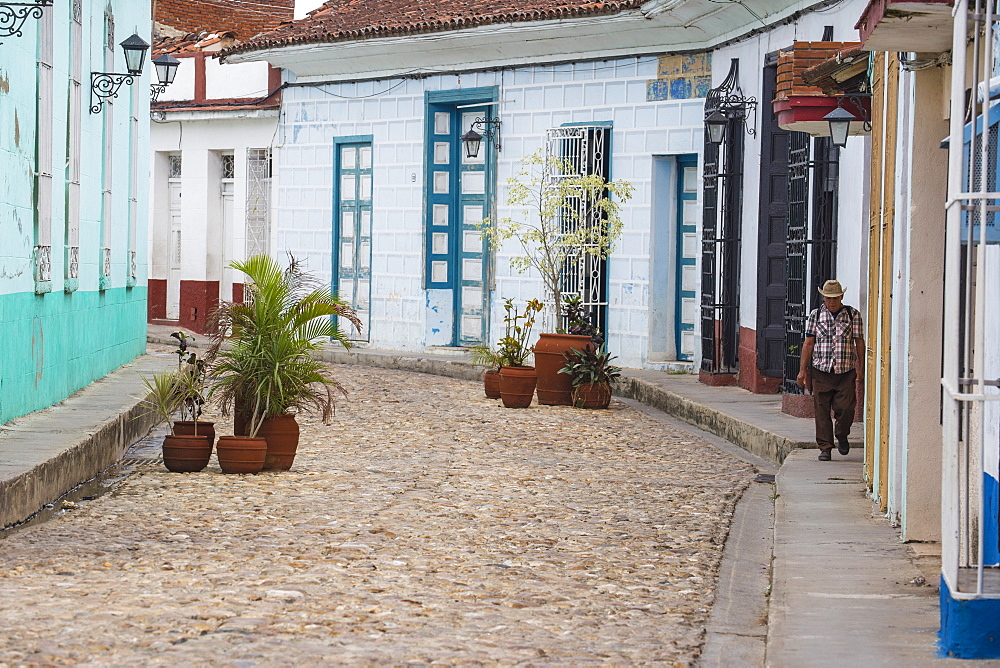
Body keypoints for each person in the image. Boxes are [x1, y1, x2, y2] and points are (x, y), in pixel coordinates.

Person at [796, 280, 865, 461]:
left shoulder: (852, 315)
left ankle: (842, 435)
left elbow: (859, 342)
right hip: (821, 370)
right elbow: (808, 343)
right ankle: (825, 447)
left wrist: (861, 368)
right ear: (823, 298)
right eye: (828, 298)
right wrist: (803, 370)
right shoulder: (815, 315)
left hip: (846, 370)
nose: (831, 302)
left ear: (841, 297)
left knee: (847, 408)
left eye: (835, 298)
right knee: (821, 409)